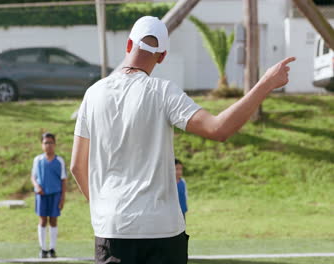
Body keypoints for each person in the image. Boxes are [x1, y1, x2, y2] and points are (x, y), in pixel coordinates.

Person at [70, 16, 295, 264]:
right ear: (162, 56)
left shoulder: (93, 94)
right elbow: (219, 129)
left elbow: (77, 166)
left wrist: (105, 209)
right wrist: (266, 83)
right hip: (161, 230)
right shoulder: (163, 91)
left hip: (111, 229)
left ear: (128, 45)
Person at [31, 132, 67, 259]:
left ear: (55, 144)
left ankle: (52, 248)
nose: (48, 145)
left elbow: (63, 180)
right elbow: (33, 177)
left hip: (55, 194)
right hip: (41, 195)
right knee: (42, 220)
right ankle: (43, 248)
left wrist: (62, 197)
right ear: (42, 145)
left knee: (53, 220)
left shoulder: (59, 161)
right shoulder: (38, 160)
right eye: (46, 143)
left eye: (51, 142)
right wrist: (36, 186)